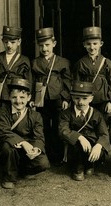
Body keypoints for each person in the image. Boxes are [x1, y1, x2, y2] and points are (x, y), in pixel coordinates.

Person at [0, 78, 50, 189]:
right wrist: (23, 143)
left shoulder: (35, 115)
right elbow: (4, 131)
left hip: (28, 147)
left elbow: (38, 136)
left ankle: (22, 170)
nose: (18, 101)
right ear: (9, 97)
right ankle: (9, 177)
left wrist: (36, 149)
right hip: (8, 143)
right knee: (8, 149)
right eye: (14, 97)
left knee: (43, 163)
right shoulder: (2, 112)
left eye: (22, 97)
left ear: (29, 98)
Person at [31, 27, 71, 163]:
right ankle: (46, 153)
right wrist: (31, 99)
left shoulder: (62, 62)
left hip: (57, 99)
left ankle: (58, 156)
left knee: (58, 126)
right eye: (41, 45)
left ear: (54, 44)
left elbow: (67, 81)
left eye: (47, 45)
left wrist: (66, 98)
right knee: (43, 127)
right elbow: (31, 82)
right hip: (41, 99)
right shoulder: (35, 62)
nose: (44, 48)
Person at [58, 81, 111, 181]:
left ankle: (90, 164)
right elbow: (63, 130)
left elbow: (104, 133)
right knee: (77, 146)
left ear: (91, 98)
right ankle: (78, 168)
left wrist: (99, 146)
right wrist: (80, 137)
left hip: (92, 145)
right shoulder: (65, 114)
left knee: (99, 150)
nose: (81, 102)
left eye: (85, 98)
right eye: (77, 98)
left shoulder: (97, 114)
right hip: (75, 147)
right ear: (72, 97)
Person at [73, 26, 111, 118]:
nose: (92, 47)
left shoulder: (107, 63)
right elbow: (76, 83)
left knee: (102, 124)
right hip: (86, 101)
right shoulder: (80, 63)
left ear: (101, 44)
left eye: (95, 43)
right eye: (88, 44)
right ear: (84, 44)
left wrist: (109, 101)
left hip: (102, 101)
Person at [0, 26, 32, 109]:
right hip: (2, 94)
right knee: (2, 115)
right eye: (6, 42)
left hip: (18, 95)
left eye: (12, 42)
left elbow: (28, 80)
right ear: (2, 41)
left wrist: (28, 96)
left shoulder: (24, 60)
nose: (9, 45)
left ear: (19, 42)